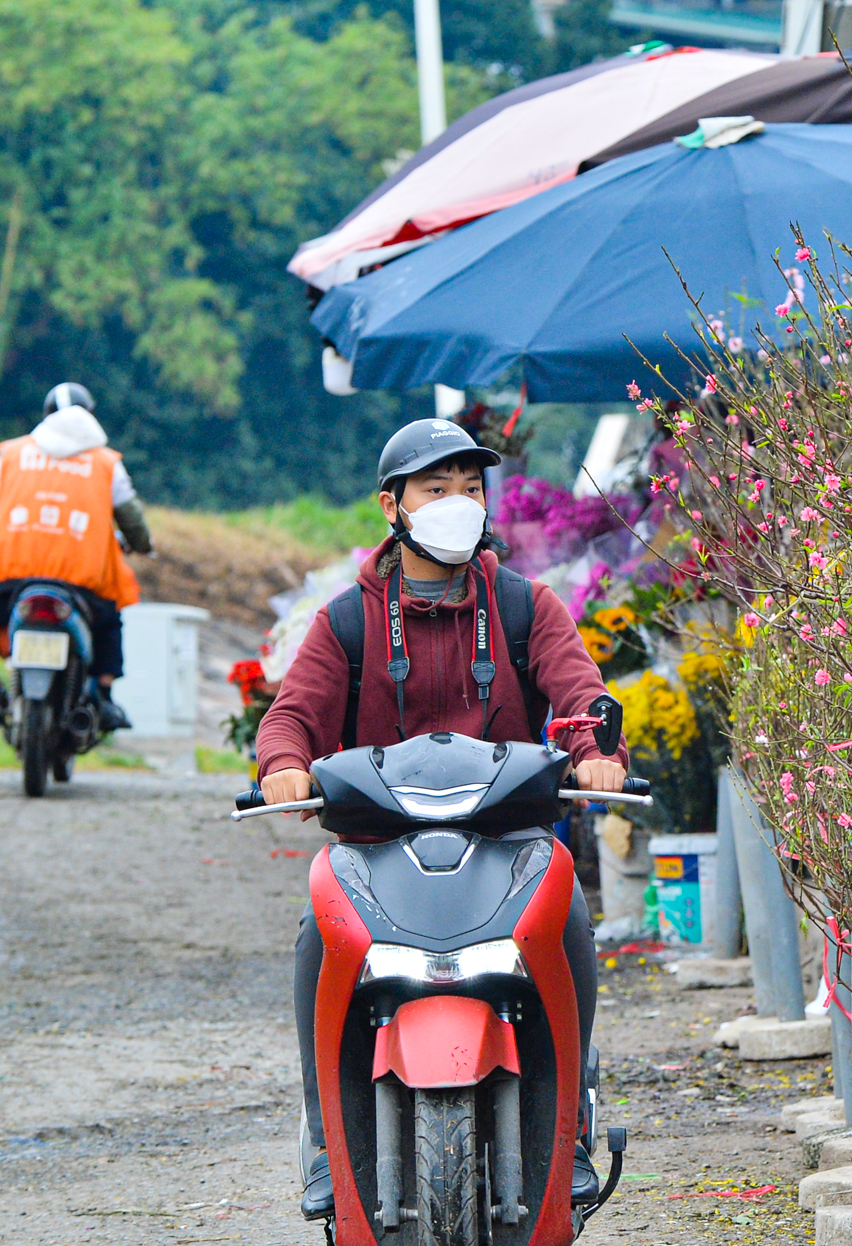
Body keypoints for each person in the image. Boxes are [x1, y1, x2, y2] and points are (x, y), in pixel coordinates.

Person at [254, 418, 628, 1220]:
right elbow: (291, 716)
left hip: (510, 844)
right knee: (317, 938)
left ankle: (570, 1132)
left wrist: (597, 749)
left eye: (470, 487)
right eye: (435, 488)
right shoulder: (346, 621)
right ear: (392, 506)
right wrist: (283, 767)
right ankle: (329, 1138)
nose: (458, 503)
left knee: (571, 921)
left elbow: (580, 693)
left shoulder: (528, 606)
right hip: (377, 848)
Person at [0, 383, 148, 729]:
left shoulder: (12, 454)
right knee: (109, 619)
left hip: (11, 581)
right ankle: (103, 697)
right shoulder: (105, 463)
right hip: (80, 586)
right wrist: (143, 545)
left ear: (45, 416)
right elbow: (131, 518)